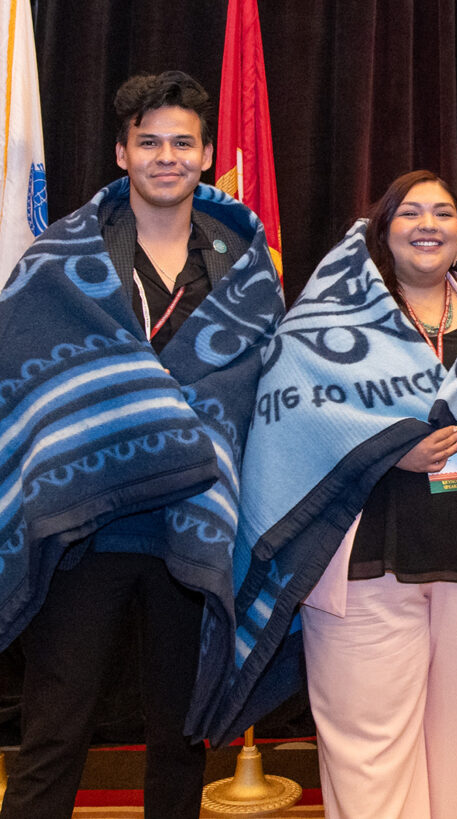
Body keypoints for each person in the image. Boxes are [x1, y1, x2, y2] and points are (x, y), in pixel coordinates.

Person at [209, 170, 457, 818]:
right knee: (369, 774)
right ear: (383, 229)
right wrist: (386, 449)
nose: (429, 224)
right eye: (410, 212)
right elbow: (290, 423)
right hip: (365, 568)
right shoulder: (333, 317)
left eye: (444, 211)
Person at [0, 71, 283, 818]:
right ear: (121, 154)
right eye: (149, 142)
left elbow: (268, 398)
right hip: (84, 525)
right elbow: (20, 381)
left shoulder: (245, 269)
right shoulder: (59, 264)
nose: (167, 157)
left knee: (179, 742)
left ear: (207, 152)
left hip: (192, 528)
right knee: (54, 736)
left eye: (182, 143)